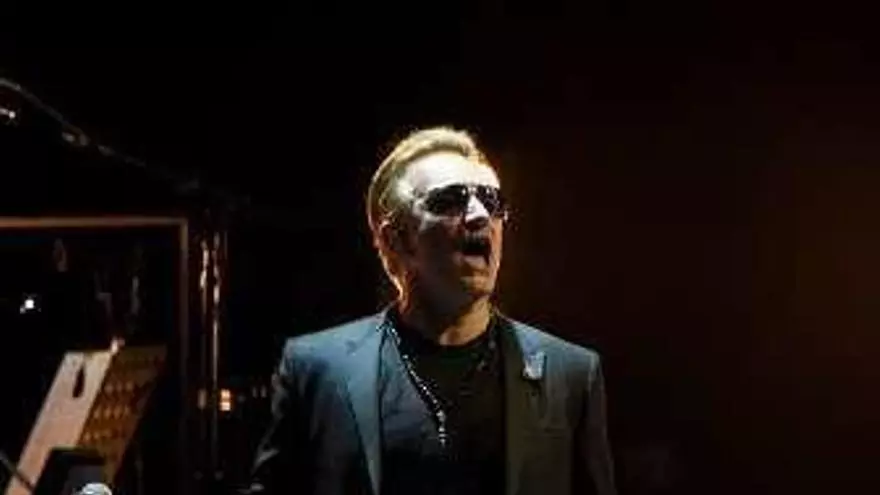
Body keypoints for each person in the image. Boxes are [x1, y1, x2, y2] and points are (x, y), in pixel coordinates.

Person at [242, 126, 617, 495]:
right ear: (396, 239)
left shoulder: (570, 375)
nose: (479, 215)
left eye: (492, 201)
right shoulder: (315, 369)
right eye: (450, 200)